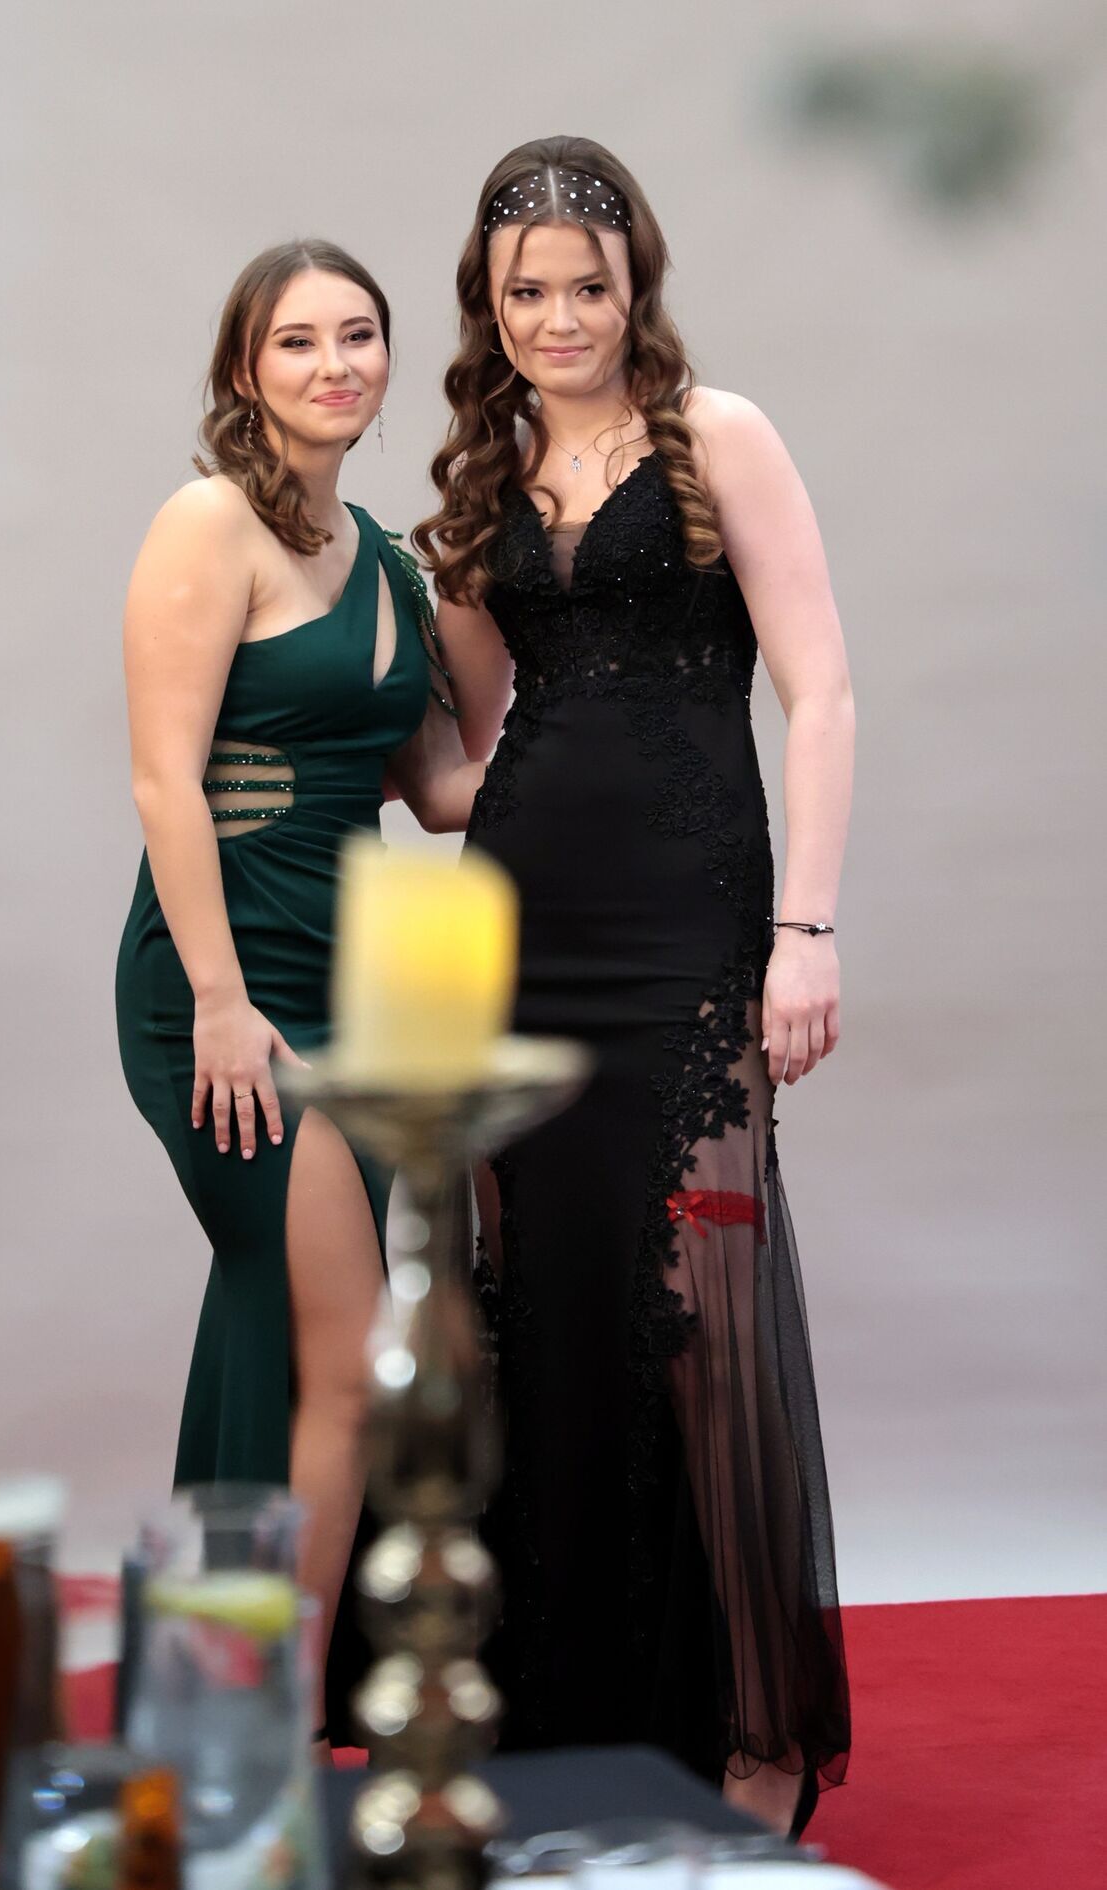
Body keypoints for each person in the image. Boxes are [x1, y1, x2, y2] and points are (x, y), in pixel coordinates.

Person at [414, 136, 853, 1833]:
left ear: (633, 286)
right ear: (491, 305)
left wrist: (804, 930)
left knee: (705, 1315)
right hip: (517, 929)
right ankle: (566, 1718)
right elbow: (461, 763)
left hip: (690, 924)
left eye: (586, 287)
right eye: (526, 292)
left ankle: (751, 1727)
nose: (558, 317)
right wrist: (312, 697)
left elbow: (822, 689)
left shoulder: (716, 435)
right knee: (548, 1307)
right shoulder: (484, 476)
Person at [116, 240, 481, 1752]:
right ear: (244, 370)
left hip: (354, 981)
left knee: (277, 1329)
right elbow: (164, 776)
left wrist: (617, 710)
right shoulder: (210, 522)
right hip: (229, 984)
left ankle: (216, 1708)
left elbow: (444, 788)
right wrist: (217, 995)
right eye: (298, 340)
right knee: (342, 1356)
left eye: (360, 335)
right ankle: (269, 1727)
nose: (337, 364)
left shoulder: (386, 556)